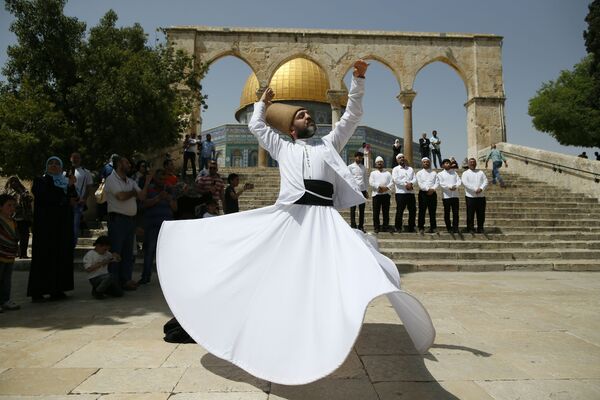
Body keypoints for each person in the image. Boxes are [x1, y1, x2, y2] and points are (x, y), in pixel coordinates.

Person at [156, 60, 434, 385]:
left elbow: (352, 116)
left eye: (308, 114)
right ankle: (215, 321)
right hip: (291, 218)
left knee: (355, 268)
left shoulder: (329, 144)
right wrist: (263, 103)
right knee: (259, 271)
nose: (308, 117)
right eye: (301, 115)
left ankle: (318, 334)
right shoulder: (282, 147)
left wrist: (358, 80)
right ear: (291, 127)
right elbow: (256, 127)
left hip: (324, 219)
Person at [28, 157, 78, 302]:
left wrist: (70, 186)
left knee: (60, 255)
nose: (54, 166)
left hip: (62, 227)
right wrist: (65, 201)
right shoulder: (40, 181)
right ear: (46, 166)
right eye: (51, 163)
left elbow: (74, 198)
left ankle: (57, 289)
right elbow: (45, 197)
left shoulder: (65, 182)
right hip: (45, 227)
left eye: (57, 164)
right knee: (44, 257)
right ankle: (38, 291)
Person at [104, 156, 151, 290]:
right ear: (119, 164)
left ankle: (125, 280)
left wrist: (146, 183)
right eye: (126, 162)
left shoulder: (130, 181)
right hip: (117, 220)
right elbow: (121, 196)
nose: (129, 165)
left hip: (130, 221)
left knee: (128, 253)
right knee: (116, 252)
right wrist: (133, 192)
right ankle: (113, 281)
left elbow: (141, 196)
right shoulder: (111, 179)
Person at [140, 169, 177, 285]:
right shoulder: (149, 188)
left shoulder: (170, 189)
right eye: (159, 178)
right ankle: (145, 277)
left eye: (163, 178)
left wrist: (169, 199)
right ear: (155, 178)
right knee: (149, 251)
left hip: (167, 226)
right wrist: (158, 198)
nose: (162, 181)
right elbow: (144, 203)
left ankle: (168, 279)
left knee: (168, 253)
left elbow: (175, 208)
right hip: (152, 225)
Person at [3, 177, 33, 259]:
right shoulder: (7, 192)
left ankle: (23, 253)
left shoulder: (23, 191)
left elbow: (30, 200)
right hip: (12, 218)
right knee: (13, 237)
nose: (14, 183)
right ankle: (14, 252)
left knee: (24, 236)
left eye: (16, 181)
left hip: (24, 218)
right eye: (12, 182)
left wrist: (23, 195)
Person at [69, 152, 94, 248]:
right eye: (74, 158)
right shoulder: (66, 172)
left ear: (80, 159)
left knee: (75, 226)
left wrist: (84, 199)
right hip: (67, 203)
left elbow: (89, 187)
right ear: (70, 159)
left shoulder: (86, 172)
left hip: (78, 203)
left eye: (77, 158)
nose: (75, 159)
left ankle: (72, 245)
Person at [0, 194, 20, 311]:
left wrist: (17, 247)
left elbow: (15, 237)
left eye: (14, 206)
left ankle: (5, 300)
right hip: (1, 254)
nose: (12, 208)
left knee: (7, 280)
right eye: (9, 205)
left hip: (10, 255)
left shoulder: (13, 221)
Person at [462, 157, 488, 234]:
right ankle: (470, 228)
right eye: (471, 162)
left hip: (481, 196)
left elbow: (485, 181)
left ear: (476, 164)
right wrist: (474, 189)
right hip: (470, 196)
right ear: (468, 164)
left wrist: (481, 188)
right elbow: (465, 183)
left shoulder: (481, 172)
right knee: (470, 214)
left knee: (481, 214)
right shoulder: (465, 173)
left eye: (474, 162)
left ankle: (480, 228)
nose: (472, 164)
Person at [392, 153, 417, 233]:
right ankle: (398, 227)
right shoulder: (395, 169)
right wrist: (406, 184)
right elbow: (396, 180)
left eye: (403, 157)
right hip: (400, 193)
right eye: (400, 158)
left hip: (410, 193)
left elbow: (415, 179)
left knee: (412, 211)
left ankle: (411, 227)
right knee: (400, 211)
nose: (402, 159)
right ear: (397, 160)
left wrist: (411, 184)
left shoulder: (410, 169)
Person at [369, 156, 394, 233]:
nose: (379, 163)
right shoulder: (373, 173)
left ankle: (385, 226)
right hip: (376, 195)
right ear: (376, 164)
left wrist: (386, 188)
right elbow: (371, 182)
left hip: (386, 195)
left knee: (385, 212)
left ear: (383, 163)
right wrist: (379, 188)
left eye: (381, 162)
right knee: (376, 212)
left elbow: (392, 182)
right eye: (378, 162)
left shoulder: (388, 173)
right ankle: (376, 227)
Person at [437, 159, 462, 233]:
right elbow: (441, 184)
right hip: (446, 196)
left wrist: (455, 186)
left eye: (449, 163)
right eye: (446, 163)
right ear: (443, 165)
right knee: (447, 213)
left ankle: (455, 227)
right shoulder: (440, 174)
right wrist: (449, 187)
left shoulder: (454, 172)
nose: (448, 164)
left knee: (456, 213)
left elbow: (459, 181)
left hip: (455, 195)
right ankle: (449, 228)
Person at [416, 157, 439, 234]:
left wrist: (432, 189)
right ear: (422, 163)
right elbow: (420, 183)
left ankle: (433, 227)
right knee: (422, 211)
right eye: (424, 162)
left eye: (427, 162)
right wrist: (427, 189)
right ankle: (421, 227)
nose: (426, 163)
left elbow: (437, 182)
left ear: (430, 163)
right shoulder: (419, 173)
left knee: (432, 211)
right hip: (423, 194)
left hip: (433, 193)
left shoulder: (434, 173)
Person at [347, 152, 368, 231]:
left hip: (362, 190)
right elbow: (348, 178)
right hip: (354, 190)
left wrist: (366, 190)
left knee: (362, 209)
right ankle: (353, 224)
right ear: (355, 157)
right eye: (358, 157)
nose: (359, 159)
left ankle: (361, 226)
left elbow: (365, 179)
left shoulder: (363, 167)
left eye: (361, 158)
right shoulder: (350, 167)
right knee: (353, 208)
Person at [97, 154, 118, 222]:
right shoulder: (107, 167)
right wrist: (103, 180)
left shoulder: (118, 167)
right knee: (104, 202)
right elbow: (102, 176)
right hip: (107, 187)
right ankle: (102, 217)